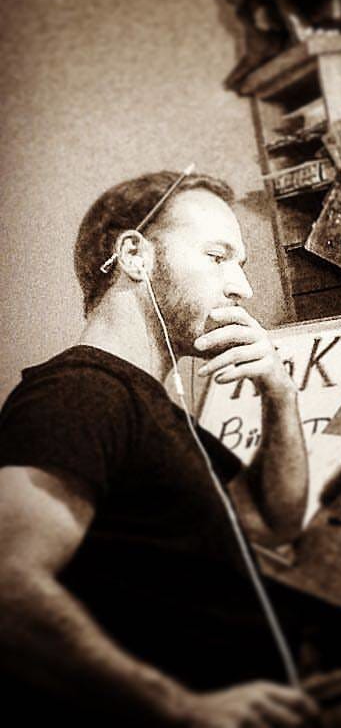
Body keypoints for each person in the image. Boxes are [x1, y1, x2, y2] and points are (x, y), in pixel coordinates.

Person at [0, 169, 321, 726]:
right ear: (135, 255)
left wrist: (280, 392)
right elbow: (6, 583)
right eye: (219, 257)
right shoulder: (79, 393)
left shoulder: (152, 406)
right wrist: (180, 707)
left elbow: (274, 521)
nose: (242, 287)